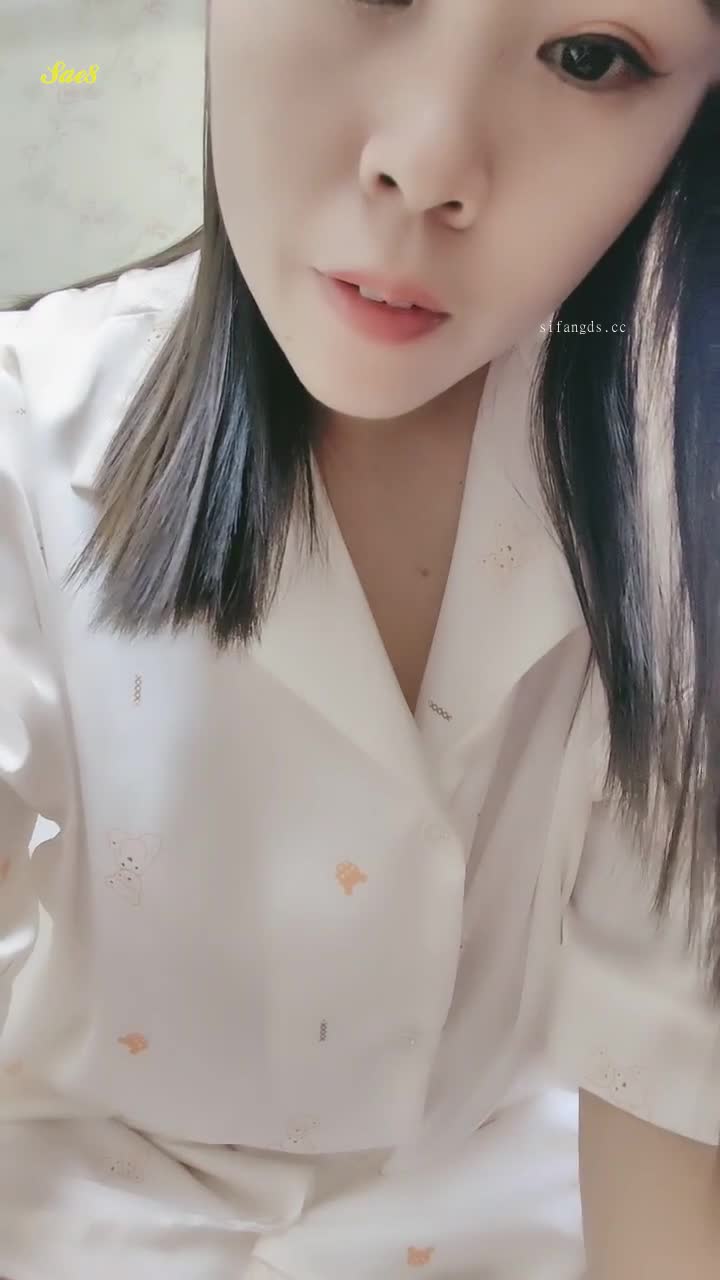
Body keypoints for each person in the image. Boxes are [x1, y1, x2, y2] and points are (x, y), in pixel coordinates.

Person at [2, 1, 720, 1276]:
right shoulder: (32, 433)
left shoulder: (681, 509)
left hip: (512, 1215)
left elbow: (669, 1115)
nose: (429, 164)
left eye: (591, 56)